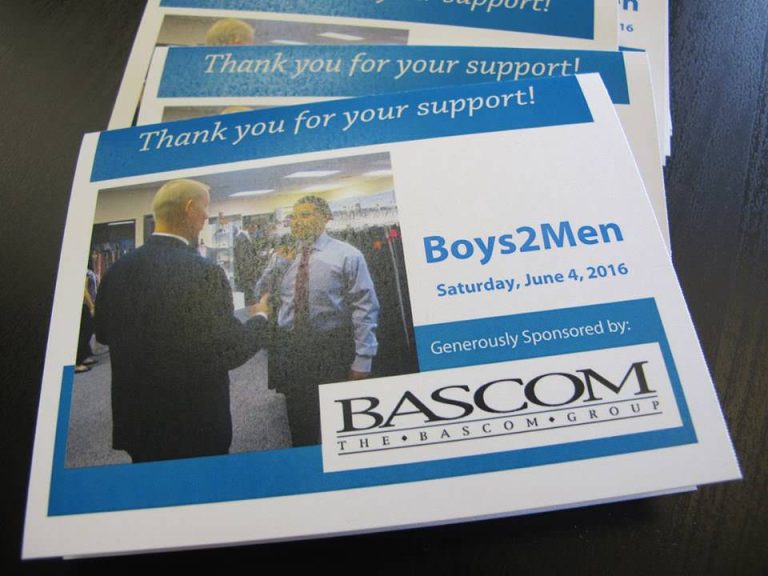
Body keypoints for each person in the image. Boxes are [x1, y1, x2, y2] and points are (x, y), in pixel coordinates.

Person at [94, 179, 269, 463]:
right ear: (190, 208)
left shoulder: (117, 270)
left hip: (138, 422)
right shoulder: (204, 271)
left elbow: (103, 334)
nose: (206, 217)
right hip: (193, 423)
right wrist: (262, 315)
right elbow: (230, 349)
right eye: (205, 208)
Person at [255, 196, 379, 446]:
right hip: (290, 347)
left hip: (330, 347)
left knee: (338, 422)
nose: (297, 222)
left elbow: (365, 307)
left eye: (306, 214)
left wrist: (363, 358)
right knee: (299, 420)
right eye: (294, 216)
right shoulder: (283, 255)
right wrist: (278, 264)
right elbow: (260, 292)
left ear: (326, 218)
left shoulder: (347, 256)